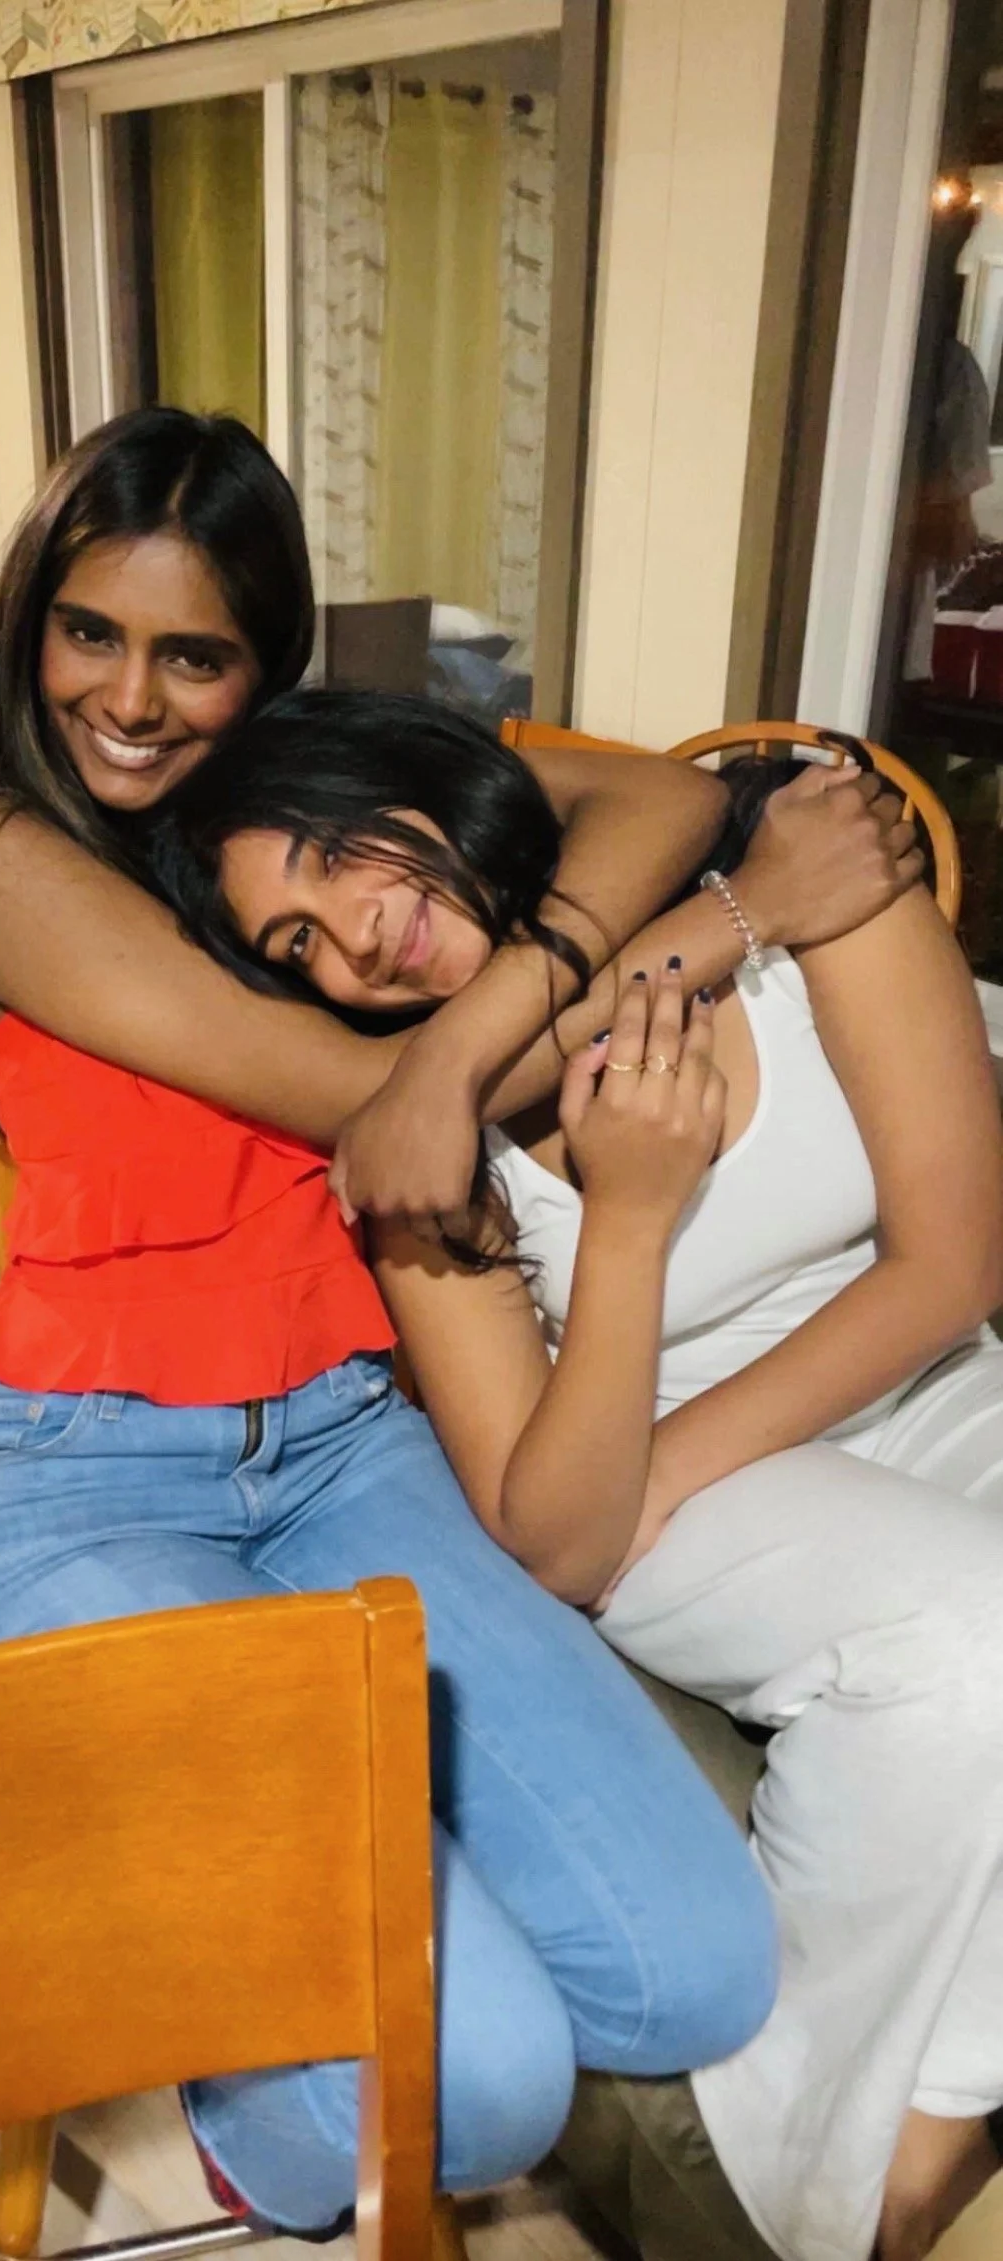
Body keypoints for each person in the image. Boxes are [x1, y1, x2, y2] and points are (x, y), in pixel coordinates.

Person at [0, 408, 917, 2237]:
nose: (127, 698)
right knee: (486, 2078)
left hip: (353, 1448)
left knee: (695, 1974)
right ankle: (237, 2076)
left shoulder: (294, 801)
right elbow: (349, 1100)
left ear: (264, 661)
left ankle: (325, 1883)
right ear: (32, 620)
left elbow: (665, 797)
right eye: (88, 632)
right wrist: (734, 920)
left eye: (192, 654)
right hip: (84, 1482)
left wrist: (459, 1046)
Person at [155, 686, 1003, 2261]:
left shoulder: (809, 888)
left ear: (416, 780)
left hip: (865, 1388)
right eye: (296, 944)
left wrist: (664, 1470)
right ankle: (820, 2181)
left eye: (338, 855)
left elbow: (949, 1266)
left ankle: (940, 2103)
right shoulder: (416, 1139)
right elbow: (554, 1534)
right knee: (971, 1637)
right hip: (664, 1470)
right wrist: (626, 1219)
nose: (354, 941)